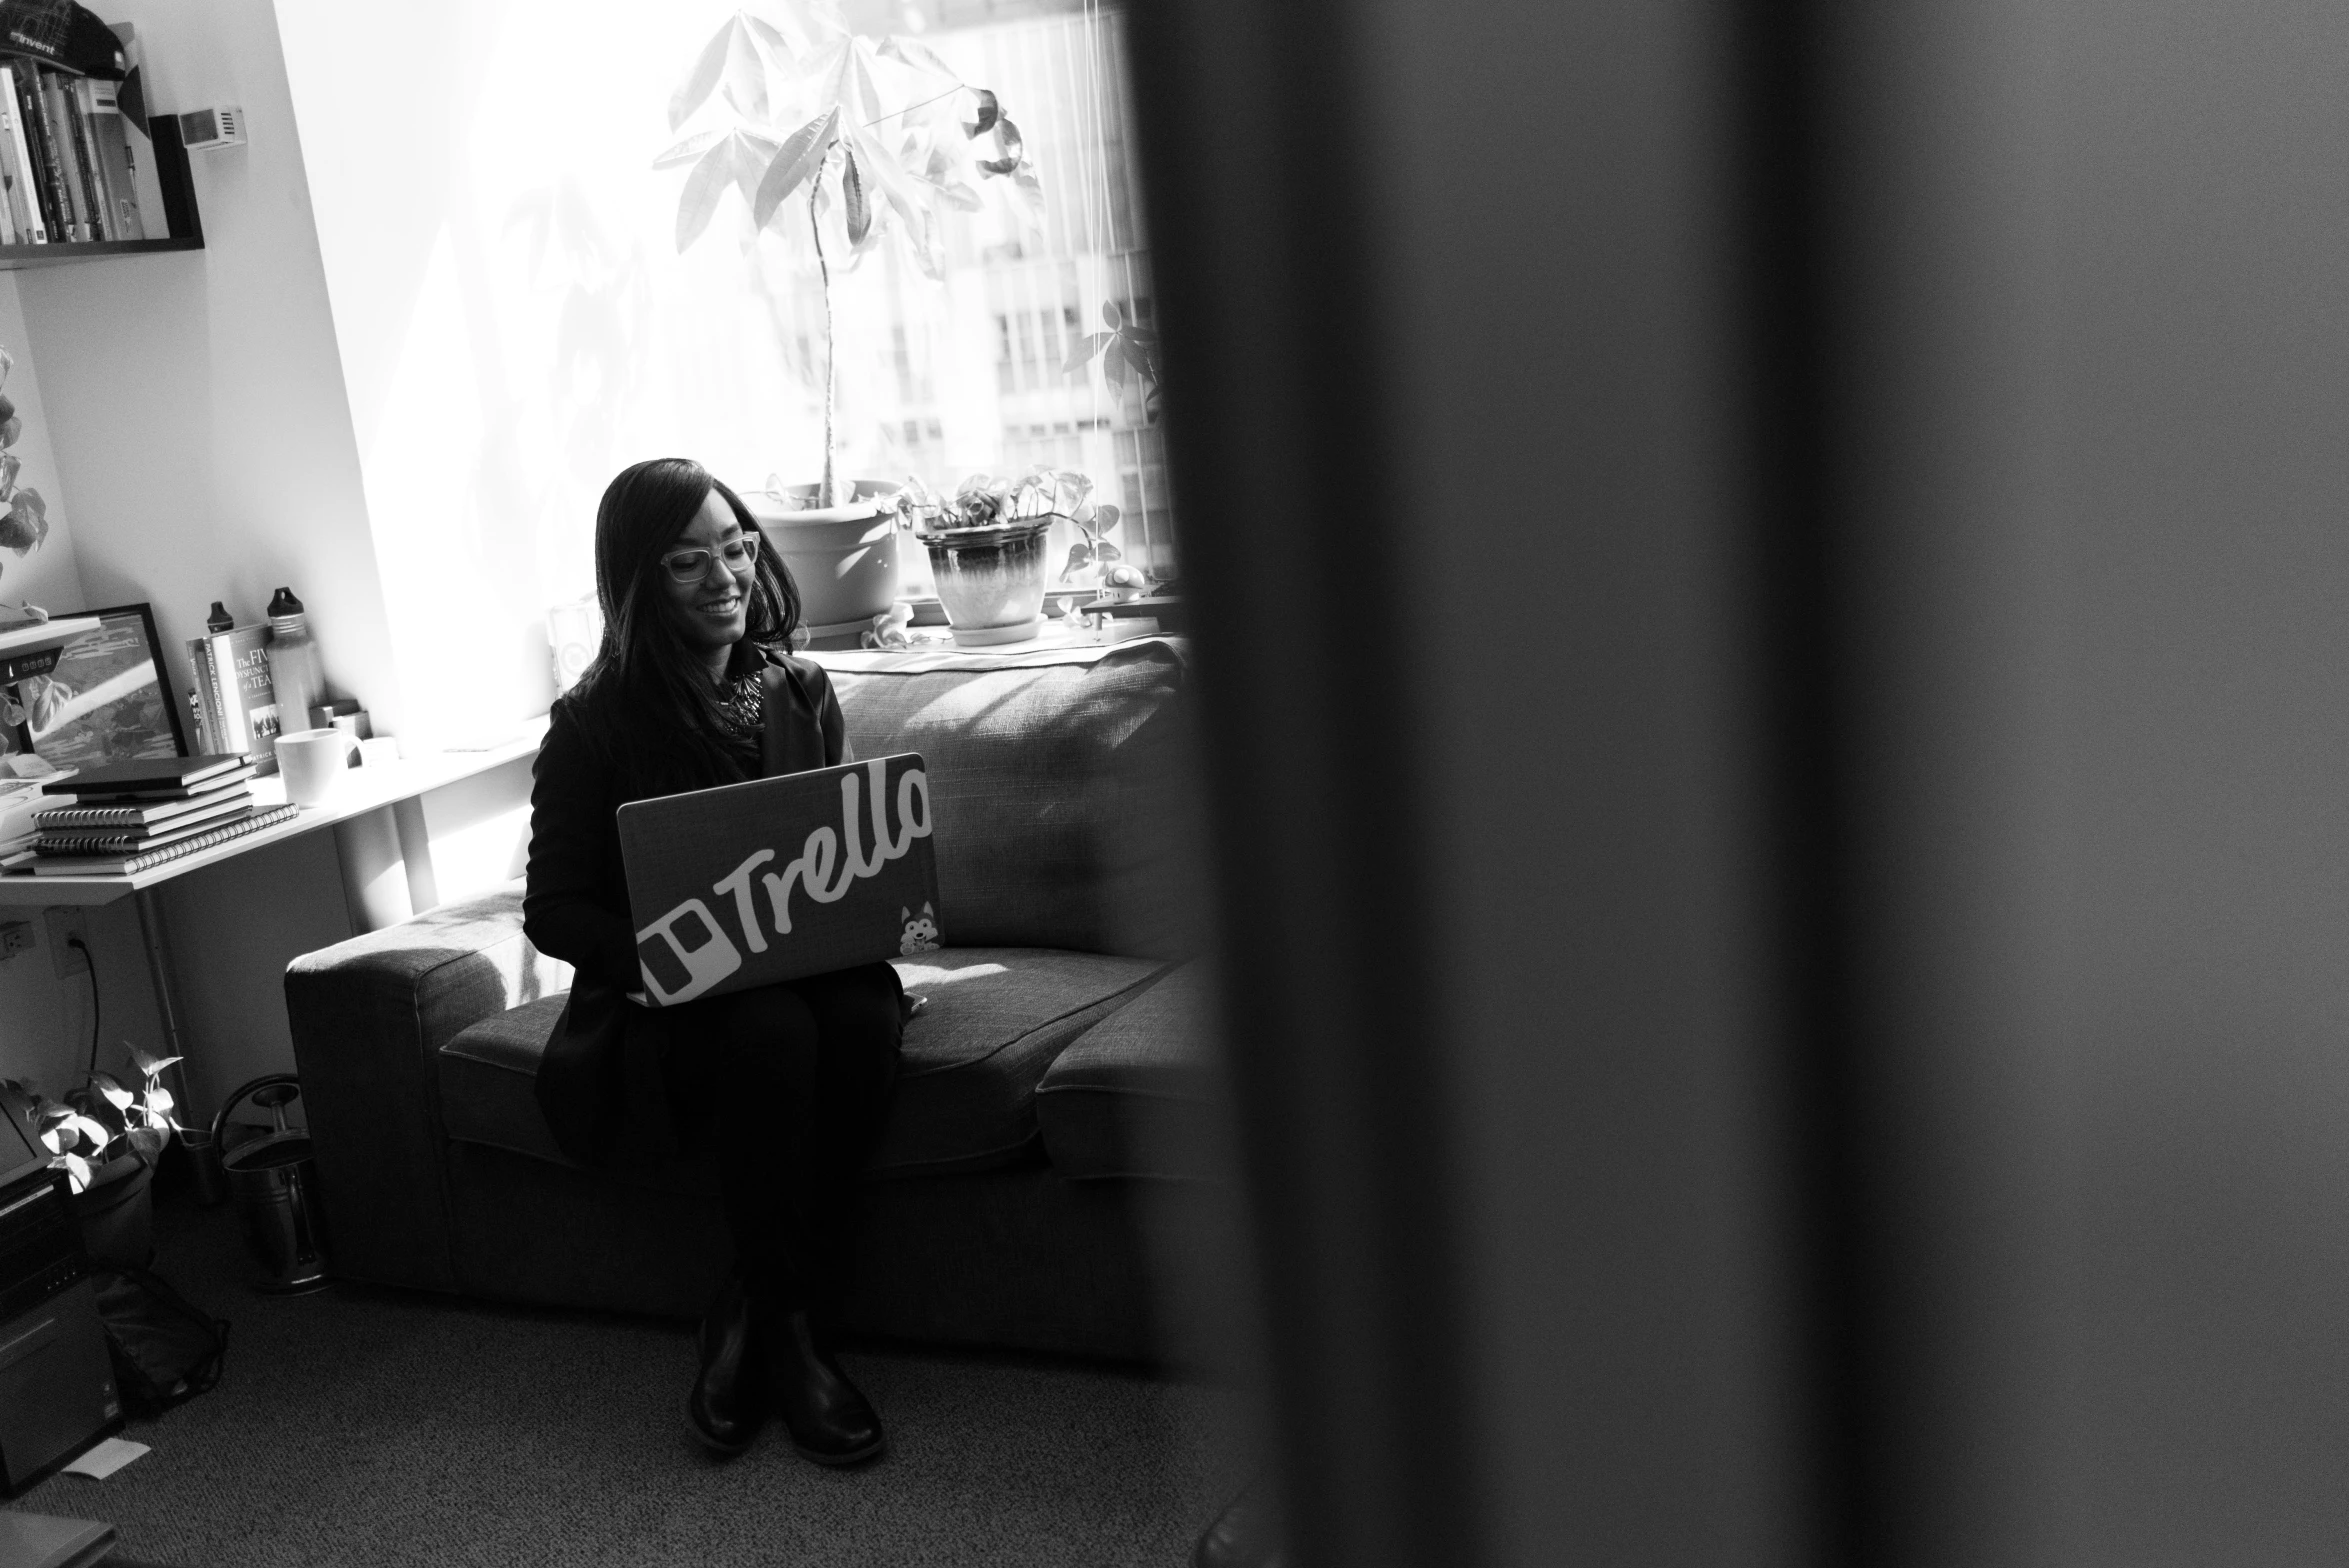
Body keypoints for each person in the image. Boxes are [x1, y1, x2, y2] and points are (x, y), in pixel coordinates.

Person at [523, 457, 904, 1465]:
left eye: (735, 547)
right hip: (672, 999)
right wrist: (665, 948)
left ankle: (750, 1302)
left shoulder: (801, 688)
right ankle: (794, 1335)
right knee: (769, 1031)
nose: (726, 575)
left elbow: (831, 857)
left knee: (866, 1014)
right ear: (638, 581)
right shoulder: (592, 722)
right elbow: (554, 907)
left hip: (807, 972)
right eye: (690, 560)